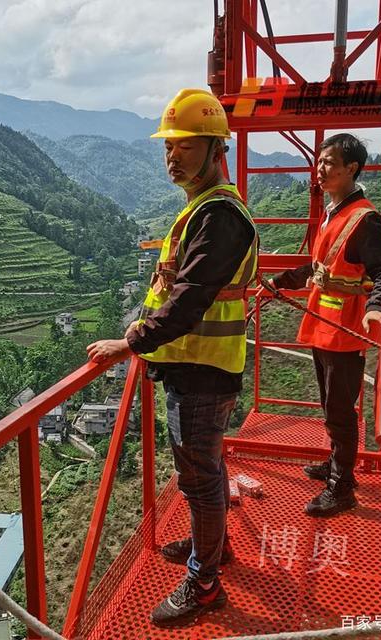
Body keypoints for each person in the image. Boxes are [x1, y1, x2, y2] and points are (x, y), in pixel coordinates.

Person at [86, 88, 257, 628]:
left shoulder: (219, 216)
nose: (172, 156)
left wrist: (130, 341)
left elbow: (188, 301)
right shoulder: (202, 211)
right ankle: (214, 548)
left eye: (184, 145)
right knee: (206, 470)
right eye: (168, 147)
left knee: (200, 479)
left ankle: (204, 583)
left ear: (215, 149)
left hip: (202, 371)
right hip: (194, 367)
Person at [270, 133, 381, 517]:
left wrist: (377, 305)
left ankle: (342, 488)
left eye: (330, 163)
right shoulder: (334, 211)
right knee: (332, 406)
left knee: (340, 410)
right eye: (321, 162)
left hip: (344, 330)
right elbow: (320, 267)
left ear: (352, 169)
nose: (321, 169)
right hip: (325, 323)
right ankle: (336, 466)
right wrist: (282, 281)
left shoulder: (365, 220)